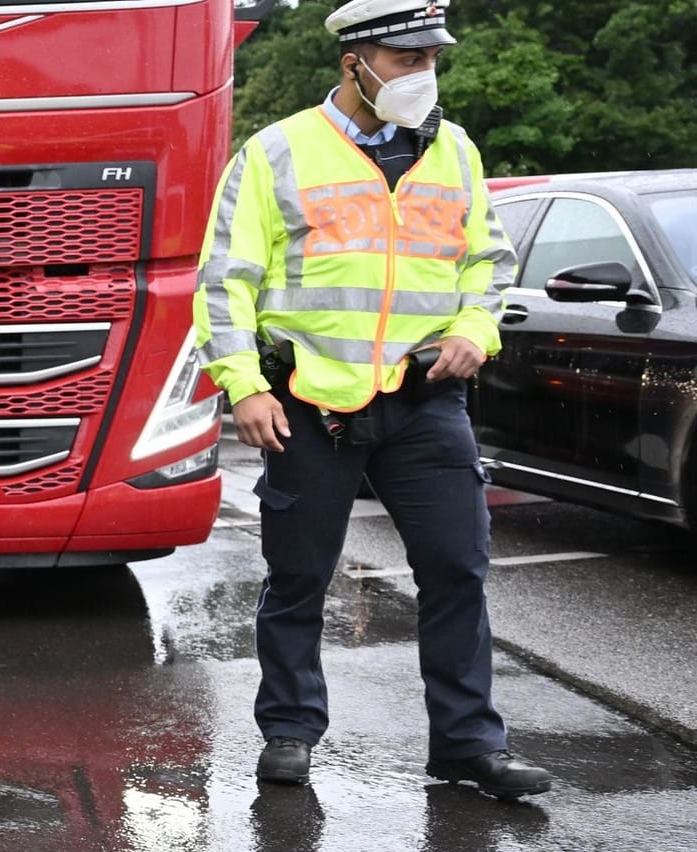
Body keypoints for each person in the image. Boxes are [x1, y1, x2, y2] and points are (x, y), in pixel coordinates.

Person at [193, 0, 551, 799]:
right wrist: (243, 386)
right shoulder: (278, 150)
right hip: (309, 402)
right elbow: (225, 281)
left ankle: (467, 745)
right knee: (298, 577)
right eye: (404, 59)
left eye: (430, 60)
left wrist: (474, 329)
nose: (422, 75)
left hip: (426, 399)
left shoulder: (454, 150)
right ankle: (289, 730)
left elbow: (487, 265)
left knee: (457, 569)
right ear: (354, 62)